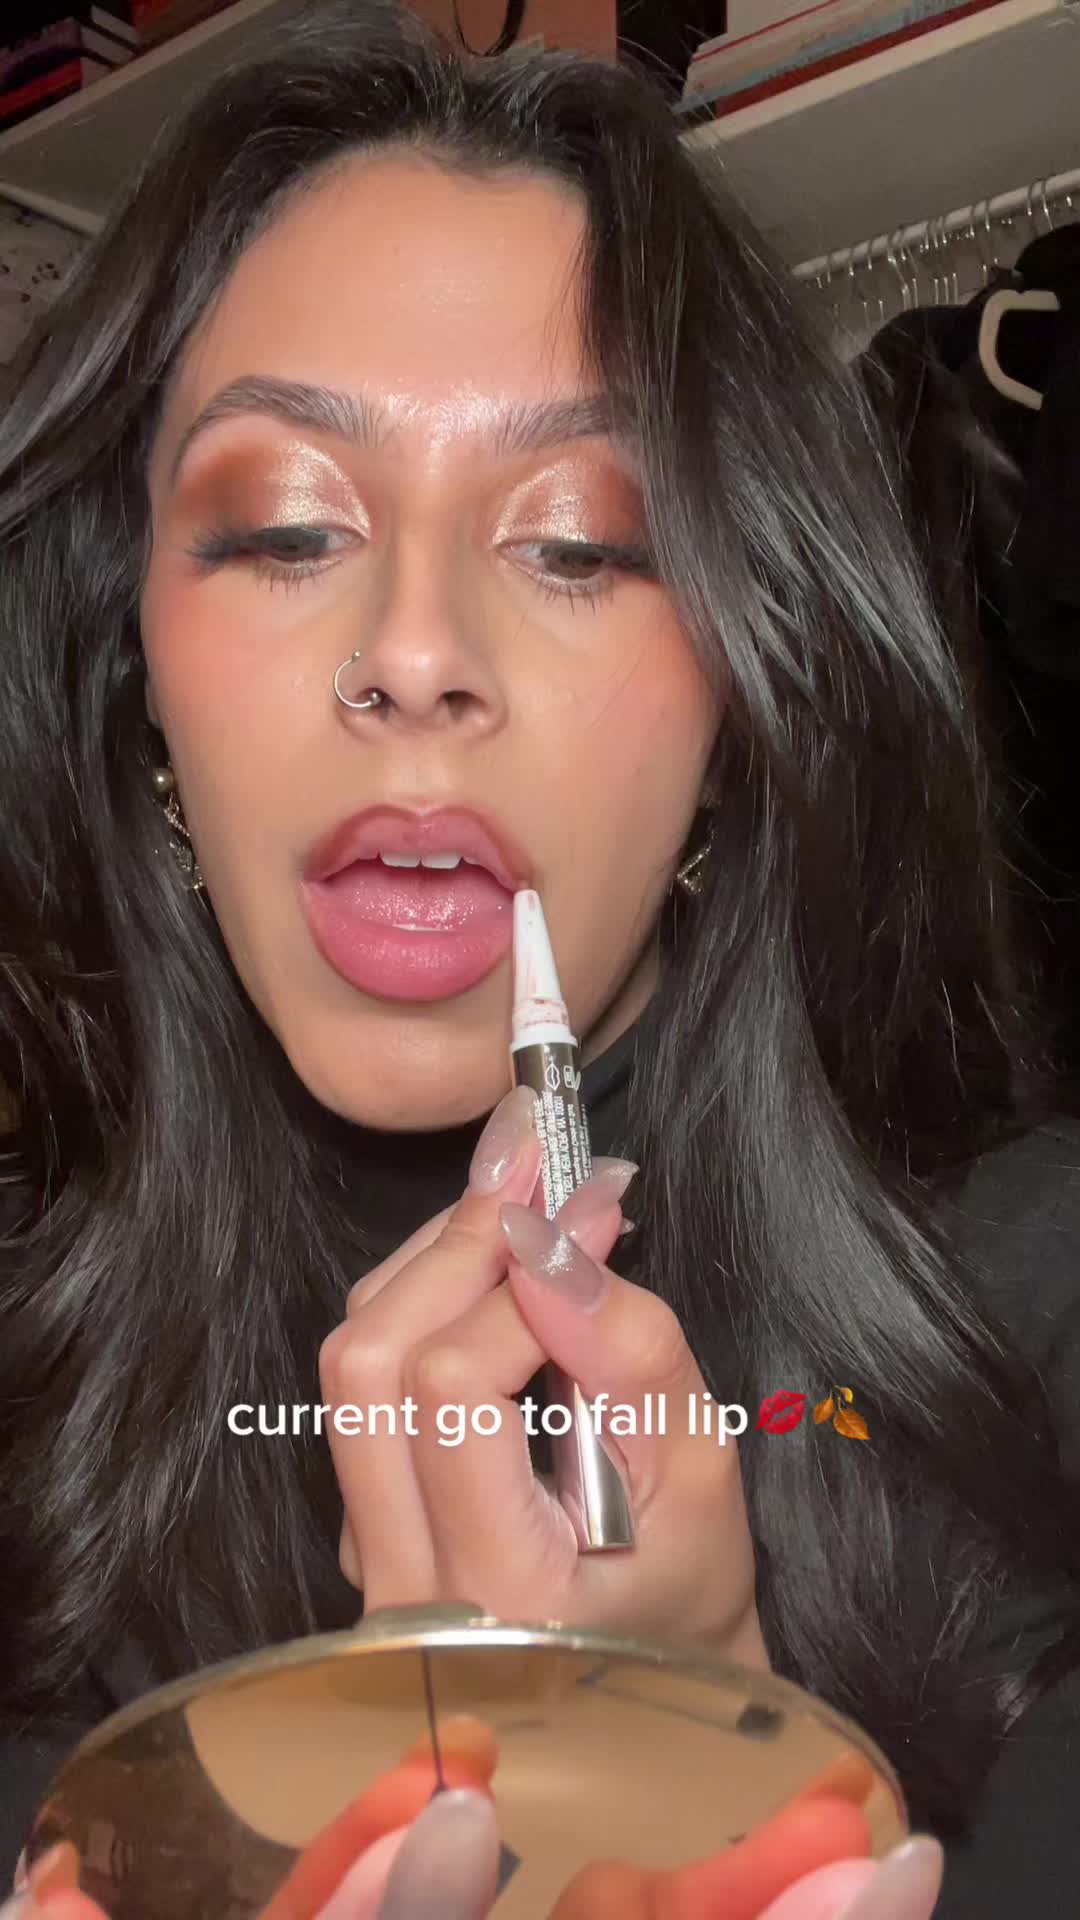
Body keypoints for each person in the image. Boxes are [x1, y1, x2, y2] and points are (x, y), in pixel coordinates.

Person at [1, 2, 1079, 1912]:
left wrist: (714, 1751)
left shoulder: (1040, 1307)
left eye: (580, 542)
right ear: (134, 681)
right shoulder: (32, 1386)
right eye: (283, 528)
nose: (417, 652)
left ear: (742, 701)